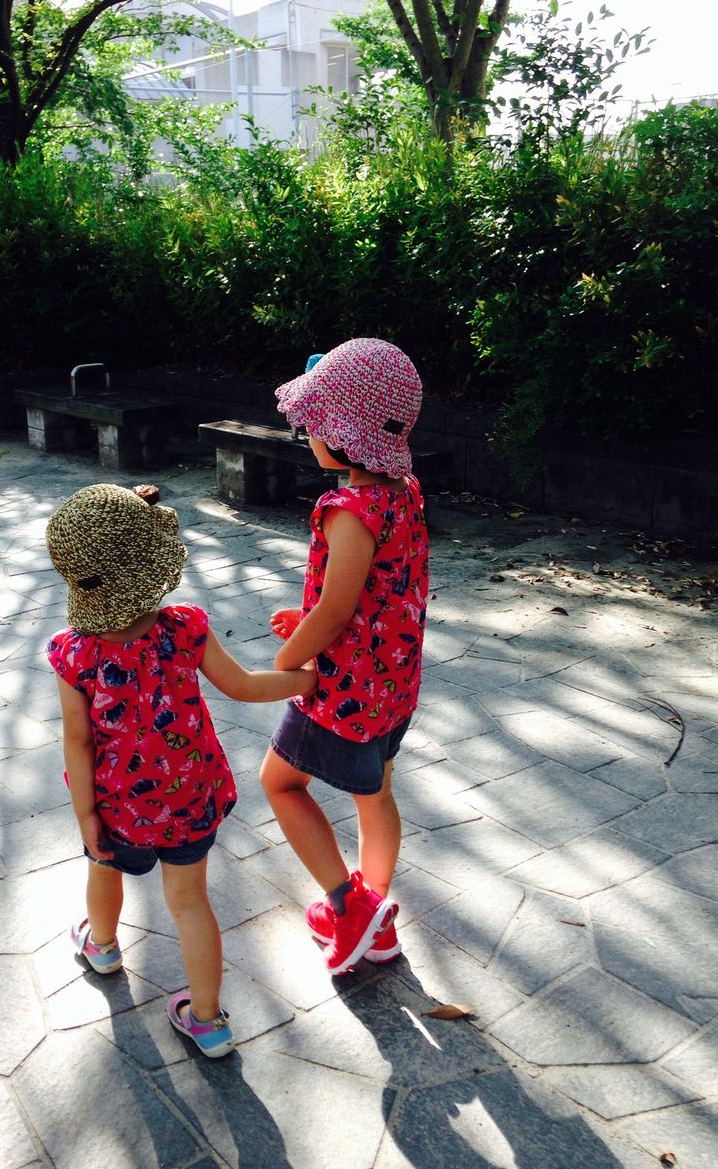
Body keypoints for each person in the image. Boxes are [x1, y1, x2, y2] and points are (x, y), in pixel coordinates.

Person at [45, 482, 316, 1058]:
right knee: (190, 901)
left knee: (104, 871)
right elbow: (243, 686)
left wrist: (86, 815)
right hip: (190, 795)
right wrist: (308, 679)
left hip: (116, 805)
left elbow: (77, 741)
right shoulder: (184, 627)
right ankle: (208, 1021)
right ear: (152, 564)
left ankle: (102, 946)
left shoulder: (74, 653)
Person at [260, 338, 429, 975]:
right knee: (376, 794)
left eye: (315, 421)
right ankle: (375, 914)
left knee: (280, 783)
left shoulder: (349, 511)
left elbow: (335, 613)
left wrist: (289, 657)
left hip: (343, 689)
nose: (308, 432)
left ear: (340, 434)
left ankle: (348, 907)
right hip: (392, 686)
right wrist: (307, 613)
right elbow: (374, 591)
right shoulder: (404, 493)